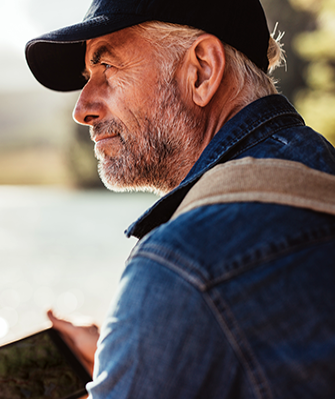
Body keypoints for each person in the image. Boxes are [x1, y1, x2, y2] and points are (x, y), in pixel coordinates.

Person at [25, 0, 335, 397]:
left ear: (202, 70)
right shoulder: (319, 168)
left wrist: (155, 317)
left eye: (107, 67)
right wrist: (139, 353)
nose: (82, 108)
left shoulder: (181, 266)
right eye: (88, 75)